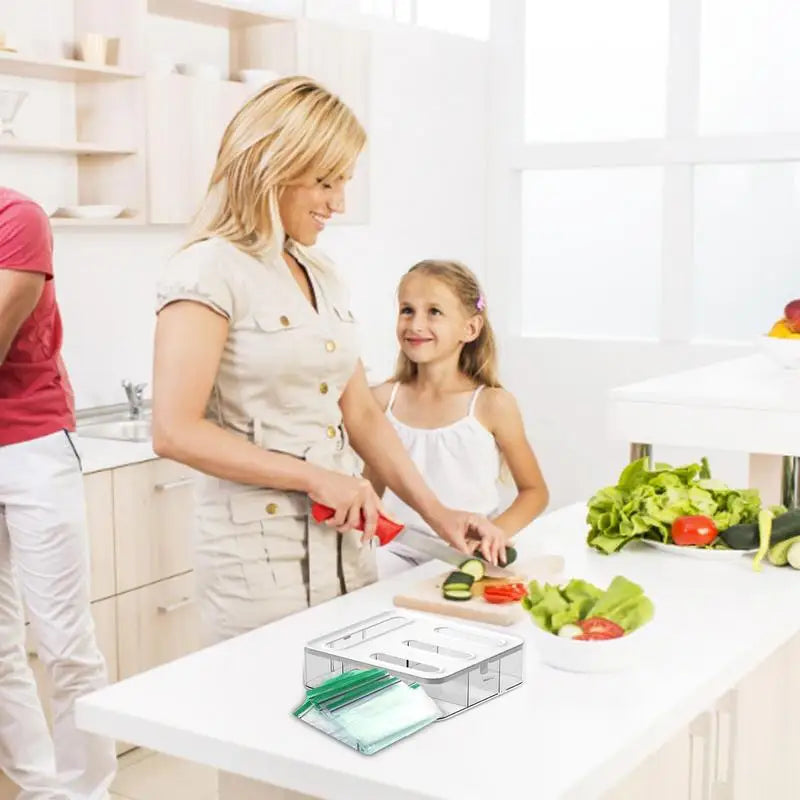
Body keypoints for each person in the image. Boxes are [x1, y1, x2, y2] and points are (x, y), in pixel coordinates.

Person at [151, 76, 505, 647]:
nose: (338, 203)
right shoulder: (207, 271)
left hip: (345, 549)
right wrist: (316, 478)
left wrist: (439, 515)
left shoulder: (322, 273)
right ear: (272, 166)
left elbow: (360, 413)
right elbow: (174, 431)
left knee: (352, 690)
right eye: (325, 182)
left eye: (344, 182)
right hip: (257, 561)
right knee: (273, 695)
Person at [0, 187, 116, 799]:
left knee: (65, 643)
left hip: (31, 446)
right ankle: (41, 789)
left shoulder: (16, 218)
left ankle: (85, 792)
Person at [366, 259, 549, 577]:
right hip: (395, 553)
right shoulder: (381, 400)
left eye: (434, 312)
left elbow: (535, 492)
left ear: (471, 328)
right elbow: (372, 489)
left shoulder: (492, 405)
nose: (415, 324)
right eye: (407, 310)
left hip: (471, 555)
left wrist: (494, 534)